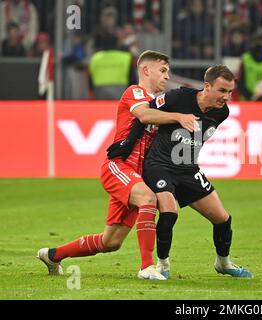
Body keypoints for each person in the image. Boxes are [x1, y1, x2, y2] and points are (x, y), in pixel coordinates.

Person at [37, 50, 199, 280]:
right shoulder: (135, 92)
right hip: (119, 167)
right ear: (146, 70)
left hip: (138, 175)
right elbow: (144, 116)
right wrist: (179, 117)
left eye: (168, 72)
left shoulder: (160, 105)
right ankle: (147, 267)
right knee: (148, 199)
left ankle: (53, 255)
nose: (166, 76)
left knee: (110, 242)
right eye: (162, 71)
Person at [109, 65, 253, 278]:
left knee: (223, 218)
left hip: (188, 169)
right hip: (159, 165)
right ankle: (162, 265)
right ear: (207, 86)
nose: (227, 97)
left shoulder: (222, 112)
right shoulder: (179, 97)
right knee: (169, 211)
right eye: (222, 91)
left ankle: (223, 263)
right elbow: (146, 113)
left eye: (230, 92)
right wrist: (128, 143)